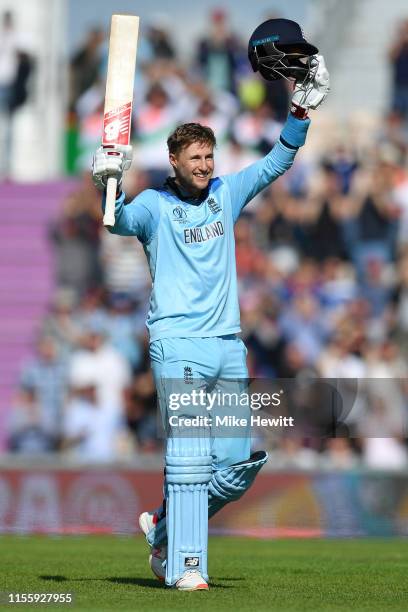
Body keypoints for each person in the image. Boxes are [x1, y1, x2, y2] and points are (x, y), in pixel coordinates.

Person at [92, 52, 329, 590]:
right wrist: (107, 183)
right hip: (176, 342)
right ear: (173, 160)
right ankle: (186, 570)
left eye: (209, 156)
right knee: (193, 457)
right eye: (194, 157)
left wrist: (300, 113)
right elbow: (118, 222)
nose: (204, 165)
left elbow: (276, 163)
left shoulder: (226, 193)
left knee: (236, 466)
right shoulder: (153, 204)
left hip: (226, 345)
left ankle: (164, 527)